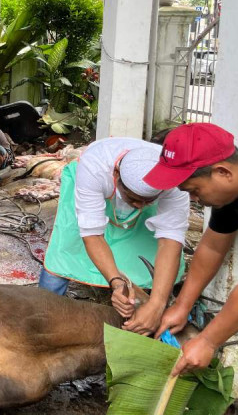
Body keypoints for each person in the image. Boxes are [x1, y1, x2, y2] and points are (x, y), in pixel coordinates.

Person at [147, 123, 238, 375]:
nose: (194, 199)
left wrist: (207, 341)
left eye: (193, 190)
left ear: (223, 172)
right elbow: (213, 246)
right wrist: (182, 306)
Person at [38, 137, 189, 336]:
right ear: (116, 175)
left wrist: (157, 304)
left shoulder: (174, 182)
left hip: (144, 189)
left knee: (143, 250)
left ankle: (147, 305)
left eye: (147, 201)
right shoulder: (94, 168)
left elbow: (170, 240)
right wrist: (117, 283)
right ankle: (44, 311)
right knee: (68, 247)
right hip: (93, 183)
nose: (139, 206)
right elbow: (92, 234)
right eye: (134, 199)